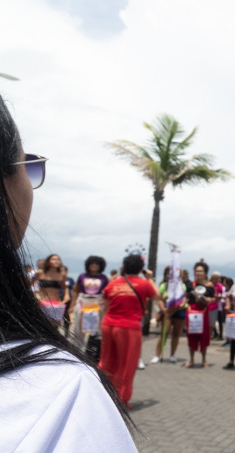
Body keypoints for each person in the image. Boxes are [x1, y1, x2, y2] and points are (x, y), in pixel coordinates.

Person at [0, 97, 138, 450]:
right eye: (26, 166)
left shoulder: (79, 277)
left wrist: (66, 301)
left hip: (79, 311)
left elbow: (78, 291)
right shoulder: (61, 392)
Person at [99, 254, 159, 409]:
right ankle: (121, 398)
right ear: (140, 268)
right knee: (127, 364)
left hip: (108, 324)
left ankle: (102, 394)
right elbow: (158, 296)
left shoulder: (113, 283)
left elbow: (105, 305)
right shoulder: (144, 284)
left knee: (106, 361)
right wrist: (150, 278)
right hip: (128, 327)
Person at [68, 255, 109, 351]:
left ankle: (92, 351)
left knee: (95, 330)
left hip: (97, 302)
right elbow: (76, 291)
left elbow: (107, 292)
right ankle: (77, 350)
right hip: (83, 301)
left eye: (96, 264)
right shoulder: (82, 276)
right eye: (92, 263)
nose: (94, 265)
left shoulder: (104, 278)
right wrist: (72, 305)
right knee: (78, 327)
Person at [184, 261, 215, 368]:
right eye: (197, 271)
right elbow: (186, 296)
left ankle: (204, 360)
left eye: (201, 271)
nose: (198, 273)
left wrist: (209, 299)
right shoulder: (190, 284)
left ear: (205, 272)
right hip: (192, 311)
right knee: (191, 335)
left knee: (204, 336)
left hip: (203, 311)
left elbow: (213, 298)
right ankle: (191, 360)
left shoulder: (209, 285)